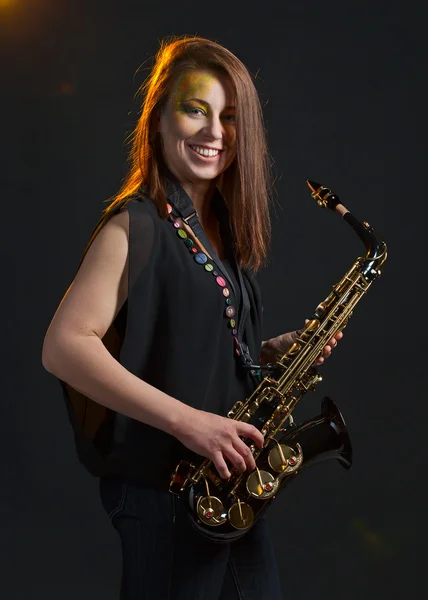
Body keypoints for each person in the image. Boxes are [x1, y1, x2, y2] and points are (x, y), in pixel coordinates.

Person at [42, 35, 342, 600]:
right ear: (159, 119)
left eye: (229, 117)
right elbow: (63, 346)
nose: (214, 133)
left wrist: (271, 351)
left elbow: (187, 345)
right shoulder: (134, 226)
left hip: (224, 495)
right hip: (167, 498)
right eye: (195, 110)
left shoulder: (219, 232)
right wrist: (191, 422)